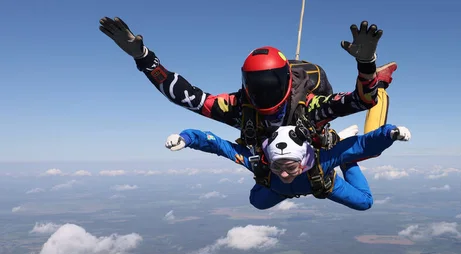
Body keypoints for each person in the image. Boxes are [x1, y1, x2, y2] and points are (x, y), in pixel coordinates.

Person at [98, 17, 397, 152]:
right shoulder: (240, 105)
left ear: (287, 81)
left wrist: (367, 65)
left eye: (270, 84)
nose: (264, 92)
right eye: (257, 85)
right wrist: (144, 58)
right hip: (275, 156)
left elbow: (362, 101)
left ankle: (335, 137)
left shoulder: (305, 105)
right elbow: (186, 96)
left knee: (329, 140)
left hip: (311, 144)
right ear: (246, 84)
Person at [163, 123, 411, 211]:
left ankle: (345, 162)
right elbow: (216, 144)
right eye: (277, 167)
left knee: (364, 202)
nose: (283, 173)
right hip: (279, 190)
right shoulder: (258, 162)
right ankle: (341, 153)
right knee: (256, 202)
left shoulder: (321, 160)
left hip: (322, 184)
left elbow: (363, 144)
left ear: (303, 160)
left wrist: (390, 133)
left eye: (290, 168)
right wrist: (186, 139)